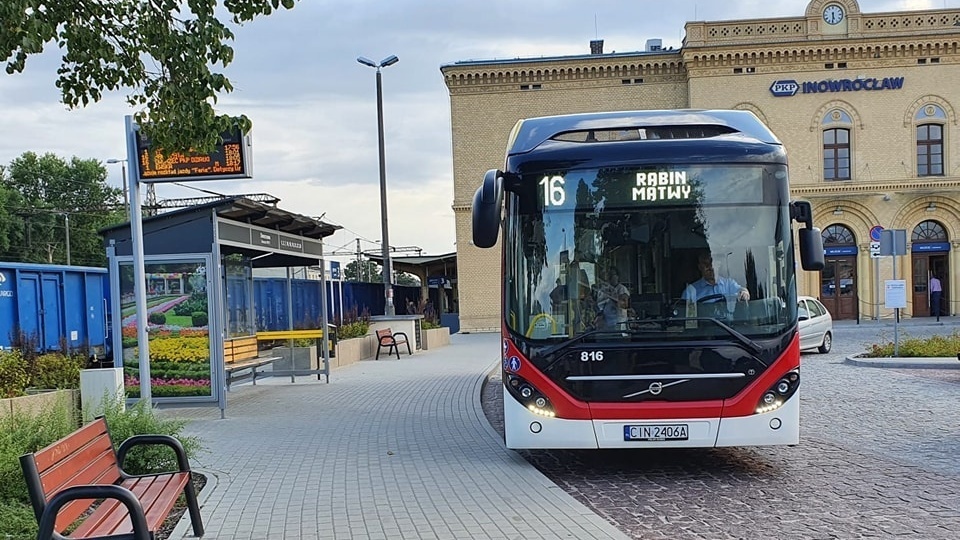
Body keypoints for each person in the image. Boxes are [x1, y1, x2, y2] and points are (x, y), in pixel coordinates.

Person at [682, 251, 750, 303]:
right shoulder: (690, 291)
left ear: (718, 264)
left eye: (713, 263)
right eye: (706, 264)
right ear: (700, 267)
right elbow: (686, 315)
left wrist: (744, 293)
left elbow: (741, 291)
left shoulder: (729, 284)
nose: (710, 267)